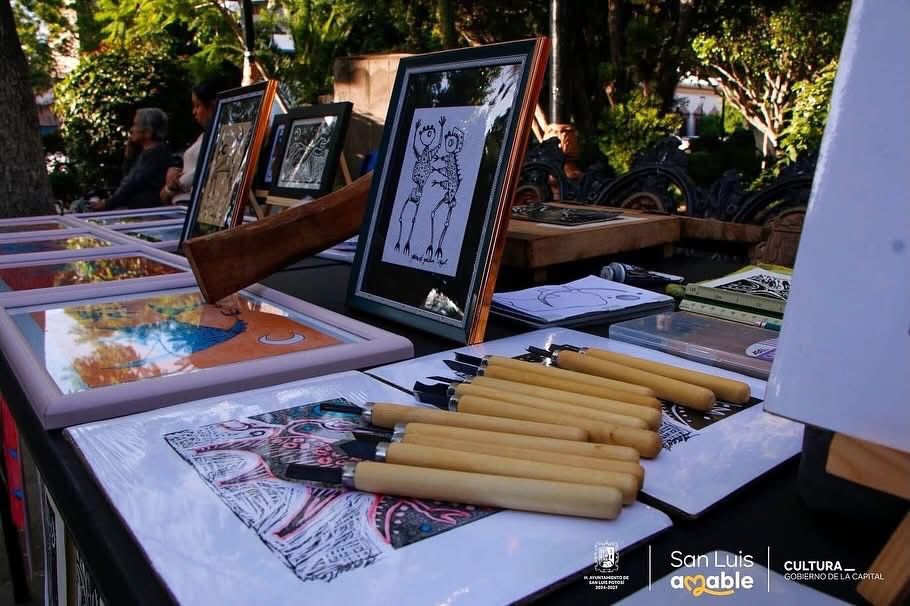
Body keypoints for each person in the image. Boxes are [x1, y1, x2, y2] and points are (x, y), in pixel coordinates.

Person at [89, 108, 172, 211]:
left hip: (145, 213)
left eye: (135, 125)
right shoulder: (148, 152)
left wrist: (107, 204)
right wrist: (128, 158)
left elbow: (130, 186)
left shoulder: (155, 154)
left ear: (148, 132)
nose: (131, 130)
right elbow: (127, 179)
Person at [160, 80, 219, 205]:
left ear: (212, 106)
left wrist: (169, 189)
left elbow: (203, 169)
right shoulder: (203, 136)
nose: (194, 112)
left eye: (198, 106)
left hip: (191, 203)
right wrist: (175, 167)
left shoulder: (222, 136)